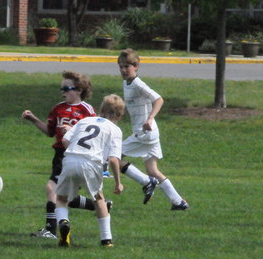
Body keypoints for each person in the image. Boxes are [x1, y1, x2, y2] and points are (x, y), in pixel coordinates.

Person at [22, 70, 109, 240]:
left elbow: (94, 135)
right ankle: (99, 206)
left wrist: (72, 131)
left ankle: (51, 230)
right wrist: (33, 119)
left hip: (77, 154)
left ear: (79, 90)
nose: (63, 92)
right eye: (61, 89)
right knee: (65, 195)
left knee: (52, 189)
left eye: (66, 88)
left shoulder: (87, 110)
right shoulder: (58, 109)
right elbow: (49, 131)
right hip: (60, 154)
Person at [117, 48, 189, 210]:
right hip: (149, 133)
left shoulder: (138, 84)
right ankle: (179, 202)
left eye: (127, 66)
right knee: (152, 170)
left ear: (136, 66)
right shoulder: (126, 83)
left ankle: (146, 182)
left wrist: (150, 118)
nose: (123, 70)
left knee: (112, 156)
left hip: (145, 133)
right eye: (121, 67)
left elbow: (158, 99)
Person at [55, 94, 125, 248]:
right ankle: (106, 240)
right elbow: (114, 159)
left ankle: (63, 222)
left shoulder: (85, 120)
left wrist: (75, 153)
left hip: (70, 159)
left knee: (61, 199)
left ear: (101, 109)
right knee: (98, 199)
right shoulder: (115, 130)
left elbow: (65, 140)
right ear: (119, 115)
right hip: (91, 163)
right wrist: (118, 183)